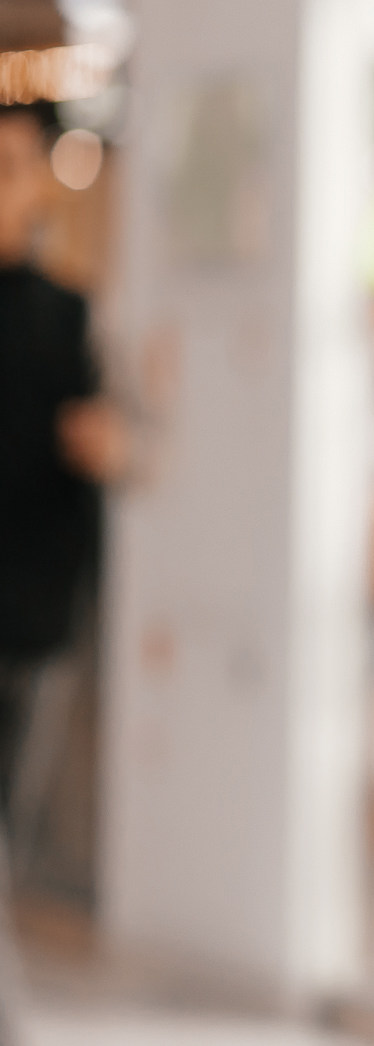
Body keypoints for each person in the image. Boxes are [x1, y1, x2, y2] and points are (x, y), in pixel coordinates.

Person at [0, 102, 120, 800]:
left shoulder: (67, 315)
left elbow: (96, 451)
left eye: (12, 169)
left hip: (37, 610)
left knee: (24, 804)